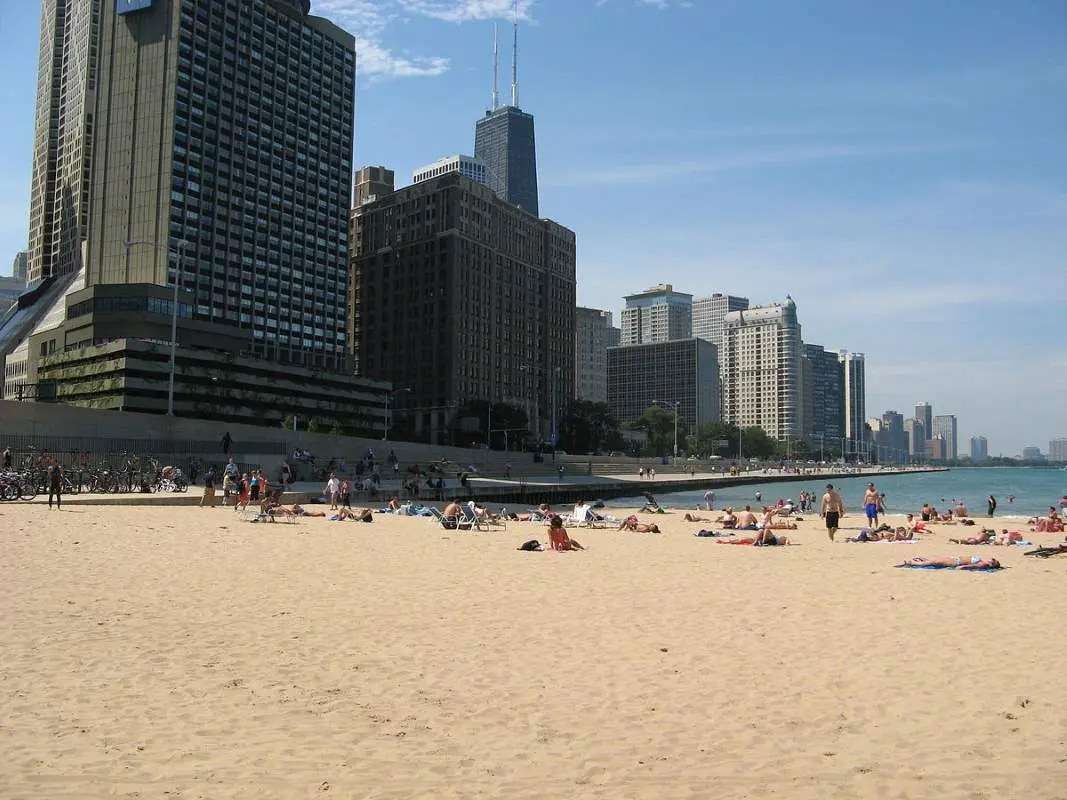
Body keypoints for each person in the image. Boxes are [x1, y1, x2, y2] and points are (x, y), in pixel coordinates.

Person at [898, 555, 1001, 570]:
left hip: (955, 562)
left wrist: (963, 567)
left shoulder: (983, 564)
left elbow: (973, 565)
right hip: (955, 559)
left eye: (993, 560)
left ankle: (911, 563)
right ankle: (923, 560)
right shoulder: (983, 561)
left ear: (991, 564)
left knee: (933, 562)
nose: (991, 558)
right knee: (934, 561)